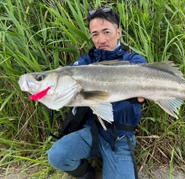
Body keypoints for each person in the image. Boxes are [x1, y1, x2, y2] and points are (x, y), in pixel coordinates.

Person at [47, 7, 147, 179]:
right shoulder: (86, 62)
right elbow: (69, 73)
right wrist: (44, 88)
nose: (101, 39)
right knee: (57, 155)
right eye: (95, 34)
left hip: (121, 137)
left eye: (106, 32)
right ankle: (89, 174)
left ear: (118, 32)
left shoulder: (134, 61)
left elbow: (146, 84)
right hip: (92, 131)